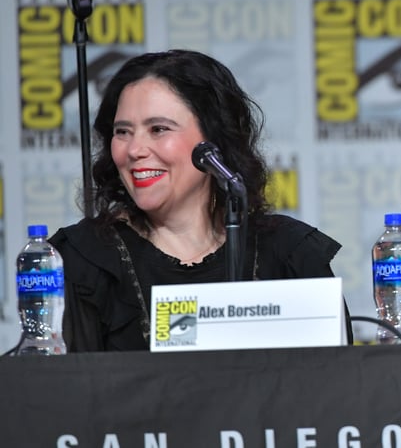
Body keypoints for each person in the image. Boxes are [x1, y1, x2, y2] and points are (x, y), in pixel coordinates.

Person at [51, 49, 348, 351]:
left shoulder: (289, 253)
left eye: (159, 129)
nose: (134, 149)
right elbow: (68, 390)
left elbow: (336, 385)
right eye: (122, 131)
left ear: (214, 140)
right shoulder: (82, 260)